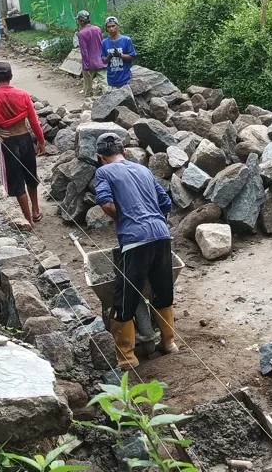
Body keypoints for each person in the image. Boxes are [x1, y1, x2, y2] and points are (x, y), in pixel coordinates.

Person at [93, 132, 175, 369]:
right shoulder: (143, 170)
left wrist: (123, 219)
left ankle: (127, 356)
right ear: (124, 152)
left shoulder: (103, 172)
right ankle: (168, 342)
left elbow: (106, 202)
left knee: (125, 296)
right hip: (161, 234)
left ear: (101, 156)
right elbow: (166, 203)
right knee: (162, 290)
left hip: (134, 239)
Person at [0, 62, 46, 226]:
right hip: (25, 139)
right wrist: (40, 141)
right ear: (11, 76)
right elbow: (34, 121)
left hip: (7, 141)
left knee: (17, 181)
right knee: (31, 175)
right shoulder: (23, 94)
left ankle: (28, 219)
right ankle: (36, 210)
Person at [101, 16, 136, 89]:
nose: (111, 29)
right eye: (109, 27)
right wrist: (109, 57)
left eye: (113, 26)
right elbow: (103, 61)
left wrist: (120, 55)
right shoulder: (104, 43)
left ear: (117, 26)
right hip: (112, 79)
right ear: (106, 29)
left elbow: (132, 57)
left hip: (126, 79)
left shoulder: (126, 40)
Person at [76, 10, 104, 97]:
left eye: (78, 20)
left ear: (81, 21)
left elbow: (84, 51)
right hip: (101, 61)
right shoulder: (98, 29)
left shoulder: (81, 33)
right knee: (105, 84)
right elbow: (102, 44)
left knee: (88, 88)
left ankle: (88, 102)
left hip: (89, 63)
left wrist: (86, 67)